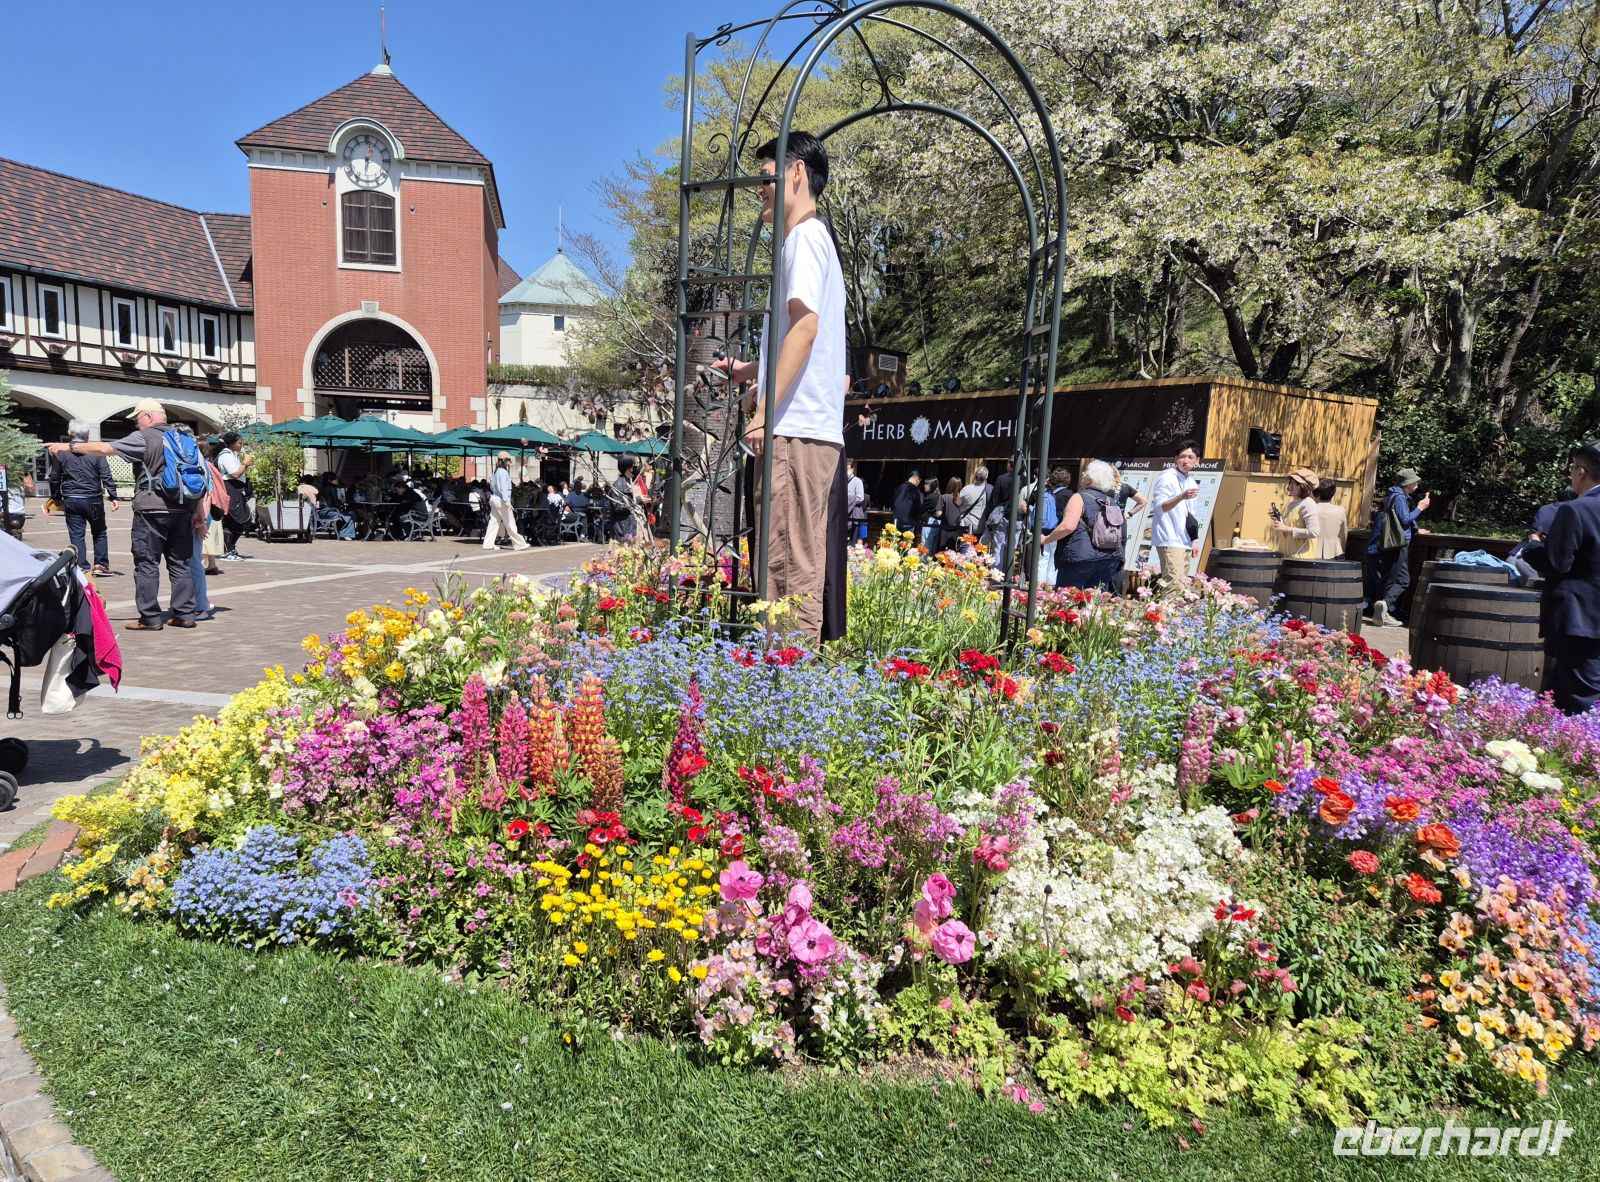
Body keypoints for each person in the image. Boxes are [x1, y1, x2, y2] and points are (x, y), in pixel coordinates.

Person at [711, 131, 847, 638]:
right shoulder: (814, 241)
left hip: (794, 432)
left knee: (787, 575)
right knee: (789, 567)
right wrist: (751, 373)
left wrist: (764, 410)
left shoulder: (804, 239)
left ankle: (785, 693)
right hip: (806, 430)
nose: (759, 189)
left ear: (795, 173)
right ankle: (786, 690)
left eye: (765, 178)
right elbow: (805, 334)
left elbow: (806, 329)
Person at [44, 398, 201, 630]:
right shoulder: (186, 438)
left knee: (147, 562)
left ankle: (149, 618)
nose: (136, 424)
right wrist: (197, 511)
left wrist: (70, 446)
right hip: (183, 507)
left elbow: (106, 449)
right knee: (180, 563)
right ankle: (185, 614)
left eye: (138, 419)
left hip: (151, 508)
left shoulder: (146, 436)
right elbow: (200, 474)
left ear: (148, 417)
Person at [1526, 442, 1600, 714]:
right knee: (1554, 696)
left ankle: (1586, 753)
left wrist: (1533, 546)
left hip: (1581, 619)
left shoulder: (1576, 510)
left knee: (1582, 697)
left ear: (1581, 472)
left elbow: (1556, 563)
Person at [50, 418, 120, 575]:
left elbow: (55, 477)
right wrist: (113, 496)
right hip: (93, 498)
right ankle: (101, 565)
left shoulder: (61, 453)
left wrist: (56, 497)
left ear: (69, 433)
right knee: (100, 531)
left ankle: (81, 565)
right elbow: (105, 474)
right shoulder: (95, 452)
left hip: (72, 498)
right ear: (87, 435)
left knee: (76, 534)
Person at [1046, 460, 1127, 591]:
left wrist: (1046, 539)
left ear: (1089, 479)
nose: (1082, 475)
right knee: (1092, 606)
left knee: (1067, 603)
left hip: (1079, 559)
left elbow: (1067, 526)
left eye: (1085, 473)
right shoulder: (1112, 502)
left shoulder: (1079, 497)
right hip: (1108, 560)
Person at [1364, 466, 1431, 627]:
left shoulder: (1394, 495)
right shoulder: (1400, 497)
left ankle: (1382, 610)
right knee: (1401, 579)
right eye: (1415, 481)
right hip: (1397, 544)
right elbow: (1404, 519)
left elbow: (1400, 518)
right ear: (1407, 483)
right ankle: (1384, 605)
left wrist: (1416, 529)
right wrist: (1420, 508)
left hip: (1390, 544)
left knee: (1394, 578)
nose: (1417, 484)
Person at [1150, 440, 1202, 593]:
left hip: (1185, 540)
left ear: (1197, 461)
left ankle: (1176, 617)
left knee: (1183, 586)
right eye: (1182, 456)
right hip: (1169, 539)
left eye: (1190, 457)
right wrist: (1181, 496)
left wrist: (1194, 540)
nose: (1186, 460)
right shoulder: (1167, 476)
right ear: (1175, 458)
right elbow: (1159, 507)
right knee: (1174, 586)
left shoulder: (1191, 481)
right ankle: (1165, 616)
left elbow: (1191, 515)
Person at [214, 431, 253, 560]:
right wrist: (244, 464)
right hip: (231, 489)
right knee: (236, 519)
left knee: (239, 519)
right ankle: (228, 550)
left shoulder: (231, 455)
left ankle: (229, 548)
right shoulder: (226, 456)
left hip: (235, 489)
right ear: (231, 443)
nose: (241, 445)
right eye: (239, 443)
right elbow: (235, 474)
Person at [480, 453, 530, 551]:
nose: (509, 462)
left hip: (494, 498)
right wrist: (507, 501)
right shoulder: (503, 472)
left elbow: (492, 485)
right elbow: (503, 488)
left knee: (493, 522)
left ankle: (488, 544)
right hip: (501, 500)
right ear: (504, 460)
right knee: (510, 522)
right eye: (508, 460)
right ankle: (519, 544)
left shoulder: (496, 471)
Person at [1271, 467, 1323, 559]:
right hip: (1288, 556)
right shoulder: (1293, 503)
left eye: (1296, 484)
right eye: (1291, 482)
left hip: (1302, 558)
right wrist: (1278, 519)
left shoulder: (1308, 504)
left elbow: (1314, 532)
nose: (1290, 486)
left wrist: (1287, 529)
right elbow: (1288, 527)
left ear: (1304, 487)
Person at [1308, 478, 1349, 560]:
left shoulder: (1310, 509)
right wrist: (1342, 548)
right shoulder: (1340, 511)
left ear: (1316, 492)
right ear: (1333, 493)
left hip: (1311, 551)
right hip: (1335, 552)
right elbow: (1343, 534)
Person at [958, 465, 990, 535]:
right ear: (986, 476)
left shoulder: (966, 489)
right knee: (980, 546)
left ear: (975, 475)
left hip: (967, 523)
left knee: (965, 545)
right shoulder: (990, 490)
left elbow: (958, 503)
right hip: (982, 524)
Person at [889, 470, 922, 536]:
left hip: (896, 521)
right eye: (919, 481)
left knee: (896, 543)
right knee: (907, 544)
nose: (918, 483)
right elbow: (917, 507)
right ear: (916, 479)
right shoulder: (915, 490)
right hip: (909, 522)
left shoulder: (898, 488)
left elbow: (892, 504)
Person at [936, 476, 965, 551]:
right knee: (954, 553)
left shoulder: (943, 497)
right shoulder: (962, 498)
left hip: (945, 530)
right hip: (957, 530)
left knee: (942, 553)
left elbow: (938, 513)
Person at [846, 460, 868, 543]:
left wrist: (845, 499)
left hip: (853, 514)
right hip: (843, 514)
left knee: (852, 539)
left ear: (852, 469)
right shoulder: (842, 481)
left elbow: (860, 497)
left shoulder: (857, 481)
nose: (846, 471)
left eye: (847, 469)